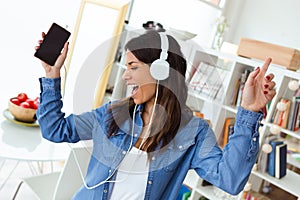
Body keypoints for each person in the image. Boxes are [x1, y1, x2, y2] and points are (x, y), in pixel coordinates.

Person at [35, 30, 276, 200]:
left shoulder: (193, 132)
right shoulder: (112, 114)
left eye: (134, 68)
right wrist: (51, 75)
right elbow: (55, 130)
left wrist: (248, 113)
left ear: (162, 71)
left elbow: (230, 181)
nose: (125, 77)